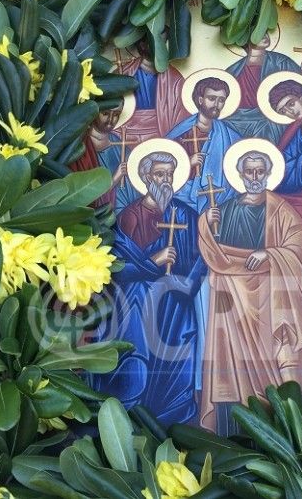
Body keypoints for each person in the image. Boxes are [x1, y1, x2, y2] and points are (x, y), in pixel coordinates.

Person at [198, 149, 302, 433]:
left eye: (260, 171)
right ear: (240, 175)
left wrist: (270, 254)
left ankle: (296, 423)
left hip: (275, 295)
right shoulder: (225, 211)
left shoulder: (280, 209)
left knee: (285, 351)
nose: (255, 177)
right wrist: (205, 223)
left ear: (268, 173)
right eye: (249, 171)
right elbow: (216, 255)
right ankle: (252, 427)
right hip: (237, 302)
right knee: (241, 365)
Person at [90, 151, 206, 425]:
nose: (165, 180)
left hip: (177, 301)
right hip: (138, 301)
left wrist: (184, 286)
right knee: (138, 305)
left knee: (182, 340)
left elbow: (201, 257)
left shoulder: (186, 214)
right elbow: (117, 267)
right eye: (159, 174)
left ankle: (173, 415)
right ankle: (129, 406)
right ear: (145, 177)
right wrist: (154, 262)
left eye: (169, 174)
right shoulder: (129, 217)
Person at [167, 76, 241, 212]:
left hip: (219, 198)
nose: (217, 104)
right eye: (212, 98)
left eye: (221, 100)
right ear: (200, 100)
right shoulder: (180, 133)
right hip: (181, 199)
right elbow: (161, 166)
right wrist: (187, 164)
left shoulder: (230, 137)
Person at [225, 33, 302, 141]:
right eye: (258, 33)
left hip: (279, 120)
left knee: (270, 125)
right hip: (243, 120)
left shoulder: (282, 62)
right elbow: (226, 109)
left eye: (265, 31)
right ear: (244, 40)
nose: (264, 35)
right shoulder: (233, 72)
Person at [115, 41, 190, 140]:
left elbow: (182, 112)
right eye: (146, 42)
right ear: (140, 45)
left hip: (163, 130)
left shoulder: (174, 77)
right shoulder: (125, 72)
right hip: (127, 132)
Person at [70, 107, 138, 211]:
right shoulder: (80, 145)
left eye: (116, 114)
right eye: (105, 113)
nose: (110, 120)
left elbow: (130, 191)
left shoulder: (119, 144)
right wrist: (114, 180)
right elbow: (82, 193)